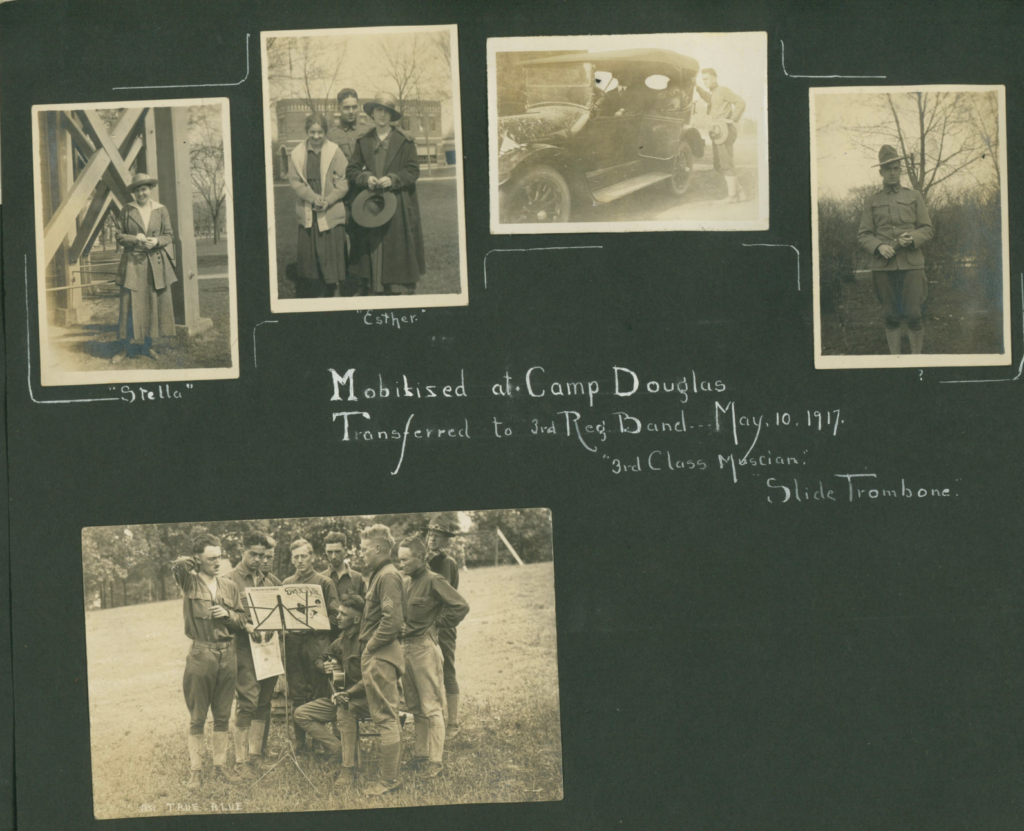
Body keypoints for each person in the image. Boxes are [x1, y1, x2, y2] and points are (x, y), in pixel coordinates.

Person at [171, 533, 251, 788]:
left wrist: (227, 613)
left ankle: (219, 767)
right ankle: (196, 770)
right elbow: (177, 564)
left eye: (220, 557)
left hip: (228, 654)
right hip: (201, 654)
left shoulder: (229, 586)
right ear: (198, 559)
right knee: (197, 716)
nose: (217, 563)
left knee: (222, 715)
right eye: (211, 558)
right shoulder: (189, 583)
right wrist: (190, 562)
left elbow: (242, 620)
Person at [397, 536, 470, 779]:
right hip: (405, 649)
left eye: (405, 560)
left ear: (421, 557)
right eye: (399, 559)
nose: (401, 564)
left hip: (424, 649)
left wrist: (438, 625)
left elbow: (460, 606)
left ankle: (435, 763)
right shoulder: (407, 581)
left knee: (432, 708)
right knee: (415, 707)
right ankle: (420, 757)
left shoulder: (433, 580)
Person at [345, 93, 426, 296]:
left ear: (392, 116)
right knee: (371, 242)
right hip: (370, 204)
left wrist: (393, 179)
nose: (382, 115)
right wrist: (366, 178)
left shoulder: (404, 141)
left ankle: (396, 286)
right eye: (378, 110)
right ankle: (372, 283)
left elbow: (413, 171)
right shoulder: (363, 141)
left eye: (386, 111)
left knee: (395, 243)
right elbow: (352, 170)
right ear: (372, 113)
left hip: (397, 202)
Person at [857, 144, 934, 355]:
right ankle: (895, 362)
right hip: (884, 266)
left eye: (896, 168)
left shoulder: (914, 196)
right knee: (890, 315)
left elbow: (927, 229)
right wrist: (879, 246)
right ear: (880, 172)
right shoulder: (871, 200)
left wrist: (913, 238)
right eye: (888, 169)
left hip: (912, 264)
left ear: (901, 170)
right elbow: (863, 234)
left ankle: (915, 361)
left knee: (913, 314)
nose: (892, 173)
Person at [291, 602, 370, 786]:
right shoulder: (341, 640)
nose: (338, 617)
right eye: (338, 613)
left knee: (345, 710)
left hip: (368, 700)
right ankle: (339, 748)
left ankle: (347, 770)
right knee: (301, 713)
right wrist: (324, 666)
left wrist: (348, 693)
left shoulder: (367, 642)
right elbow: (320, 658)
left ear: (357, 619)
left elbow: (370, 679)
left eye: (343, 614)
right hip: (343, 698)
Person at [224, 531, 281, 777]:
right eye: (253, 554)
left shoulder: (268, 582)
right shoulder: (228, 580)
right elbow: (225, 616)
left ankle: (256, 755)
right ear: (242, 551)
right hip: (242, 649)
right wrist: (244, 624)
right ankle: (241, 762)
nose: (258, 560)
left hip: (268, 648)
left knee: (264, 701)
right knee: (247, 701)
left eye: (262, 555)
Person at [356, 524, 406, 796]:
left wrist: (370, 648)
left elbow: (392, 622)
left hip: (380, 654)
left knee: (386, 718)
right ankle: (390, 777)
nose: (361, 553)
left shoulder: (387, 576)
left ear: (377, 548)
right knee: (386, 716)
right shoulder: (382, 573)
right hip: (381, 654)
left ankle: (389, 781)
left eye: (364, 549)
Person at [111, 172, 177, 363]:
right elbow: (118, 234)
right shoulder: (127, 210)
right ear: (134, 193)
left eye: (144, 189)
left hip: (155, 264)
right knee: (128, 305)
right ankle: (124, 347)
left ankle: (149, 346)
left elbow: (169, 235)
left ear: (150, 190)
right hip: (133, 264)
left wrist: (156, 241)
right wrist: (134, 238)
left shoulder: (161, 210)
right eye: (137, 190)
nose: (141, 193)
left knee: (153, 304)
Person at [283, 538, 342, 752]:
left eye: (304, 556)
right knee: (297, 691)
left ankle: (319, 741)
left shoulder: (324, 582)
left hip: (317, 643)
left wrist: (315, 621)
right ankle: (300, 741)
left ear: (312, 557)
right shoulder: (287, 584)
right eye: (296, 557)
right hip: (294, 645)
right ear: (292, 559)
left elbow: (338, 617)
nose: (300, 560)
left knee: (319, 691)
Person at [287, 112, 349, 298]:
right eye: (312, 132)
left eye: (320, 132)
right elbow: (295, 182)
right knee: (313, 254)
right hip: (309, 208)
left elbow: (344, 181)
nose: (316, 137)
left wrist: (328, 200)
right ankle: (320, 288)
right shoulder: (297, 153)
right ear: (307, 131)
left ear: (325, 132)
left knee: (332, 252)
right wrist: (313, 198)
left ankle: (336, 288)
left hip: (330, 208)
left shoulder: (334, 151)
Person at [425, 512, 464, 739]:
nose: (433, 537)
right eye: (431, 532)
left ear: (446, 539)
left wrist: (439, 625)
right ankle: (433, 719)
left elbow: (445, 597)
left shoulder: (446, 563)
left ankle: (454, 723)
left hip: (442, 624)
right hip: (424, 625)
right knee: (428, 671)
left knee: (447, 669)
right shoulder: (425, 559)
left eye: (439, 535)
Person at [695, 68, 747, 203]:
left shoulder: (722, 90)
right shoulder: (713, 94)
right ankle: (740, 192)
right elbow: (708, 99)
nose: (704, 82)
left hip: (725, 131)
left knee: (726, 163)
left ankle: (732, 196)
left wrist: (733, 119)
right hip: (717, 132)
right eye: (703, 79)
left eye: (706, 79)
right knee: (719, 165)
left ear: (714, 78)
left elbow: (740, 102)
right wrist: (697, 87)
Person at [322, 530, 365, 617]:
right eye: (330, 552)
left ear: (345, 551)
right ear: (326, 552)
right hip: (327, 629)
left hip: (351, 629)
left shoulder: (357, 578)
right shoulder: (320, 578)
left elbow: (365, 607)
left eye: (337, 551)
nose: (333, 556)